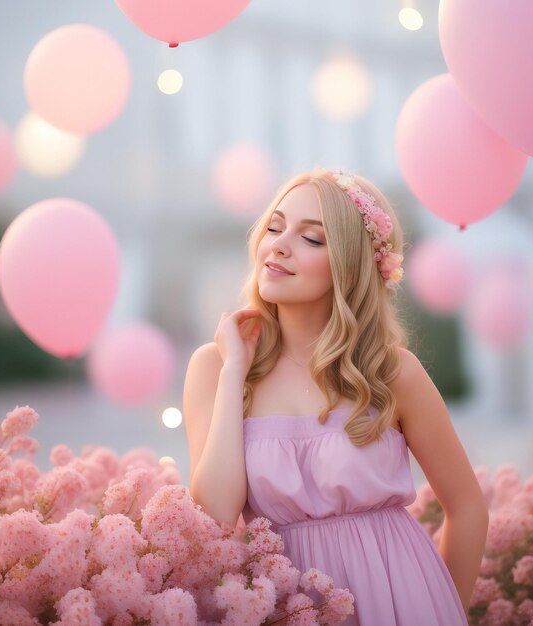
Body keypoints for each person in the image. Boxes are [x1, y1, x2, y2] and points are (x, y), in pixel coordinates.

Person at [183, 167, 489, 625]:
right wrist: (234, 375)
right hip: (292, 607)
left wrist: (443, 609)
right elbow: (217, 516)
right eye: (274, 226)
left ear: (348, 264)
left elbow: (466, 508)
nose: (279, 245)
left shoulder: (391, 371)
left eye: (312, 239)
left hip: (403, 600)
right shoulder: (215, 368)